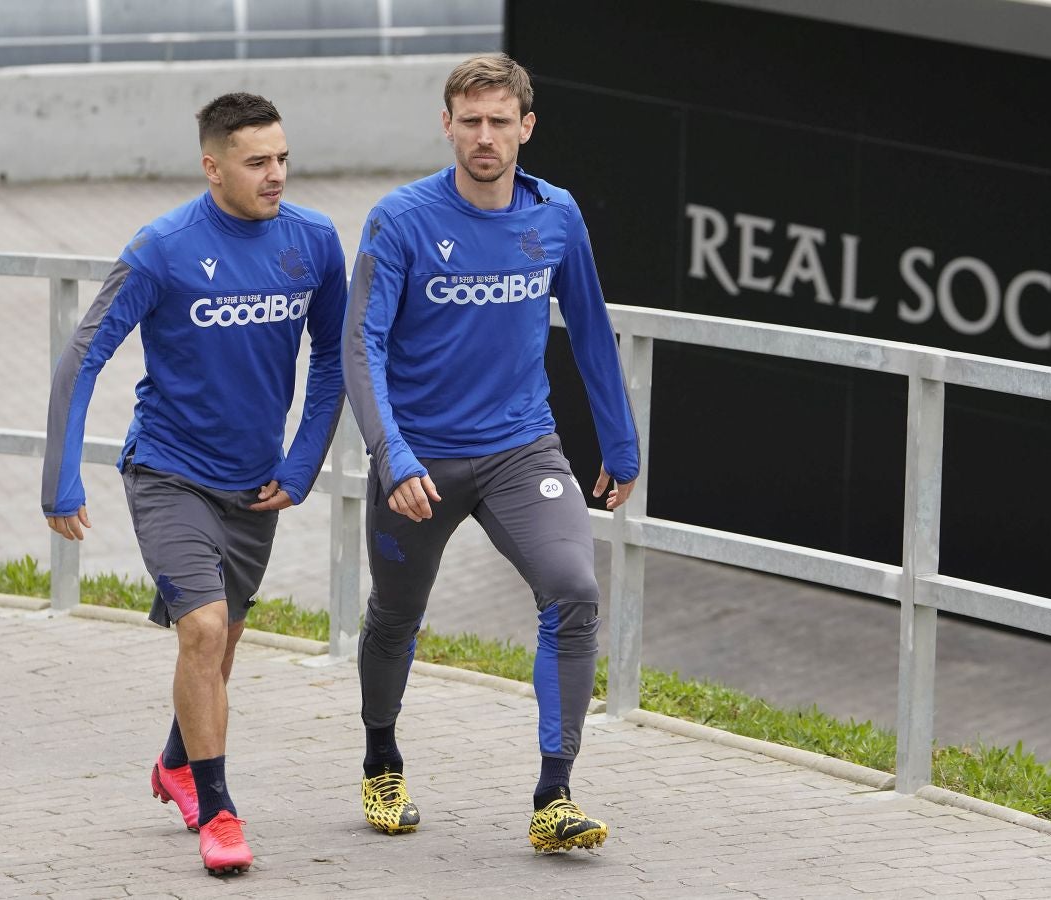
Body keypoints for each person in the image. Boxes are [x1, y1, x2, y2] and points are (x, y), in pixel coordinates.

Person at [41, 92, 347, 876]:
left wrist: (302, 460)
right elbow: (84, 354)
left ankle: (178, 762)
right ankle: (218, 811)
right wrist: (60, 477)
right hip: (168, 471)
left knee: (222, 646)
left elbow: (337, 357)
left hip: (256, 487)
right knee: (204, 631)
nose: (276, 175)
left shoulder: (314, 243)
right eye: (257, 163)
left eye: (282, 158)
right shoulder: (163, 248)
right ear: (212, 167)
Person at [343, 53, 640, 853]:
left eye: (499, 121)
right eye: (469, 121)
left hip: (522, 450)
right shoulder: (400, 220)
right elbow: (360, 346)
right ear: (447, 124)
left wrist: (620, 441)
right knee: (396, 616)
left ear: (526, 127)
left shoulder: (557, 216)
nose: (484, 136)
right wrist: (391, 455)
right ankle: (381, 759)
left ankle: (555, 794)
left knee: (573, 589)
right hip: (419, 464)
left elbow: (589, 326)